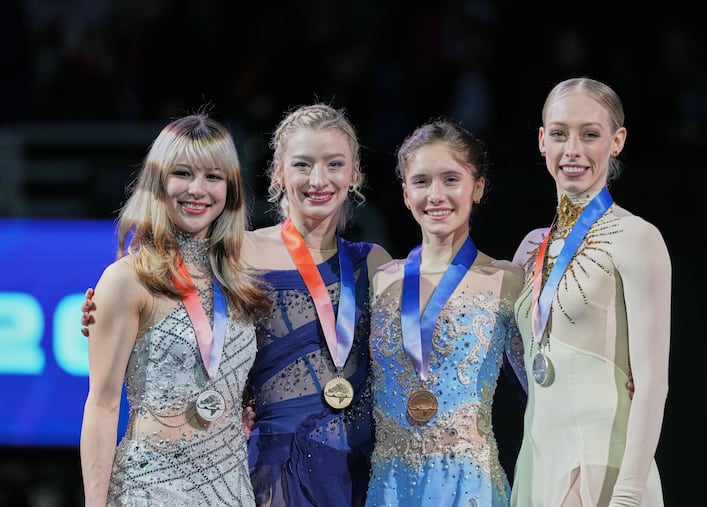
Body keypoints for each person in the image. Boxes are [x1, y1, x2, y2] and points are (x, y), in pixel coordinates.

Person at [79, 113, 272, 506]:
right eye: (183, 173)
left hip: (231, 492)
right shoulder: (127, 280)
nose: (198, 190)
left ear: (231, 189)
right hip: (151, 491)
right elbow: (101, 404)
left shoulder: (241, 280)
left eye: (214, 177)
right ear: (158, 181)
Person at [509, 77, 670, 506]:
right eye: (560, 133)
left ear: (617, 141)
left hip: (601, 459)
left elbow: (654, 381)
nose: (572, 149)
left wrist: (630, 492)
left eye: (590, 134)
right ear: (542, 141)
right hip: (538, 455)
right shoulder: (530, 249)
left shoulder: (636, 236)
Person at [365, 119, 528, 506]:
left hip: (470, 486)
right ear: (406, 194)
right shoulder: (380, 278)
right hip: (390, 485)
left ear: (478, 187)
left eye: (450, 179)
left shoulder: (506, 280)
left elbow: (539, 380)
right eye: (421, 182)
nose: (435, 195)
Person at [240, 103, 392, 506]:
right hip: (277, 468)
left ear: (355, 173)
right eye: (303, 164)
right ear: (278, 171)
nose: (318, 180)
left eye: (334, 164)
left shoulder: (373, 262)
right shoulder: (243, 252)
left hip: (361, 465)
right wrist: (106, 304)